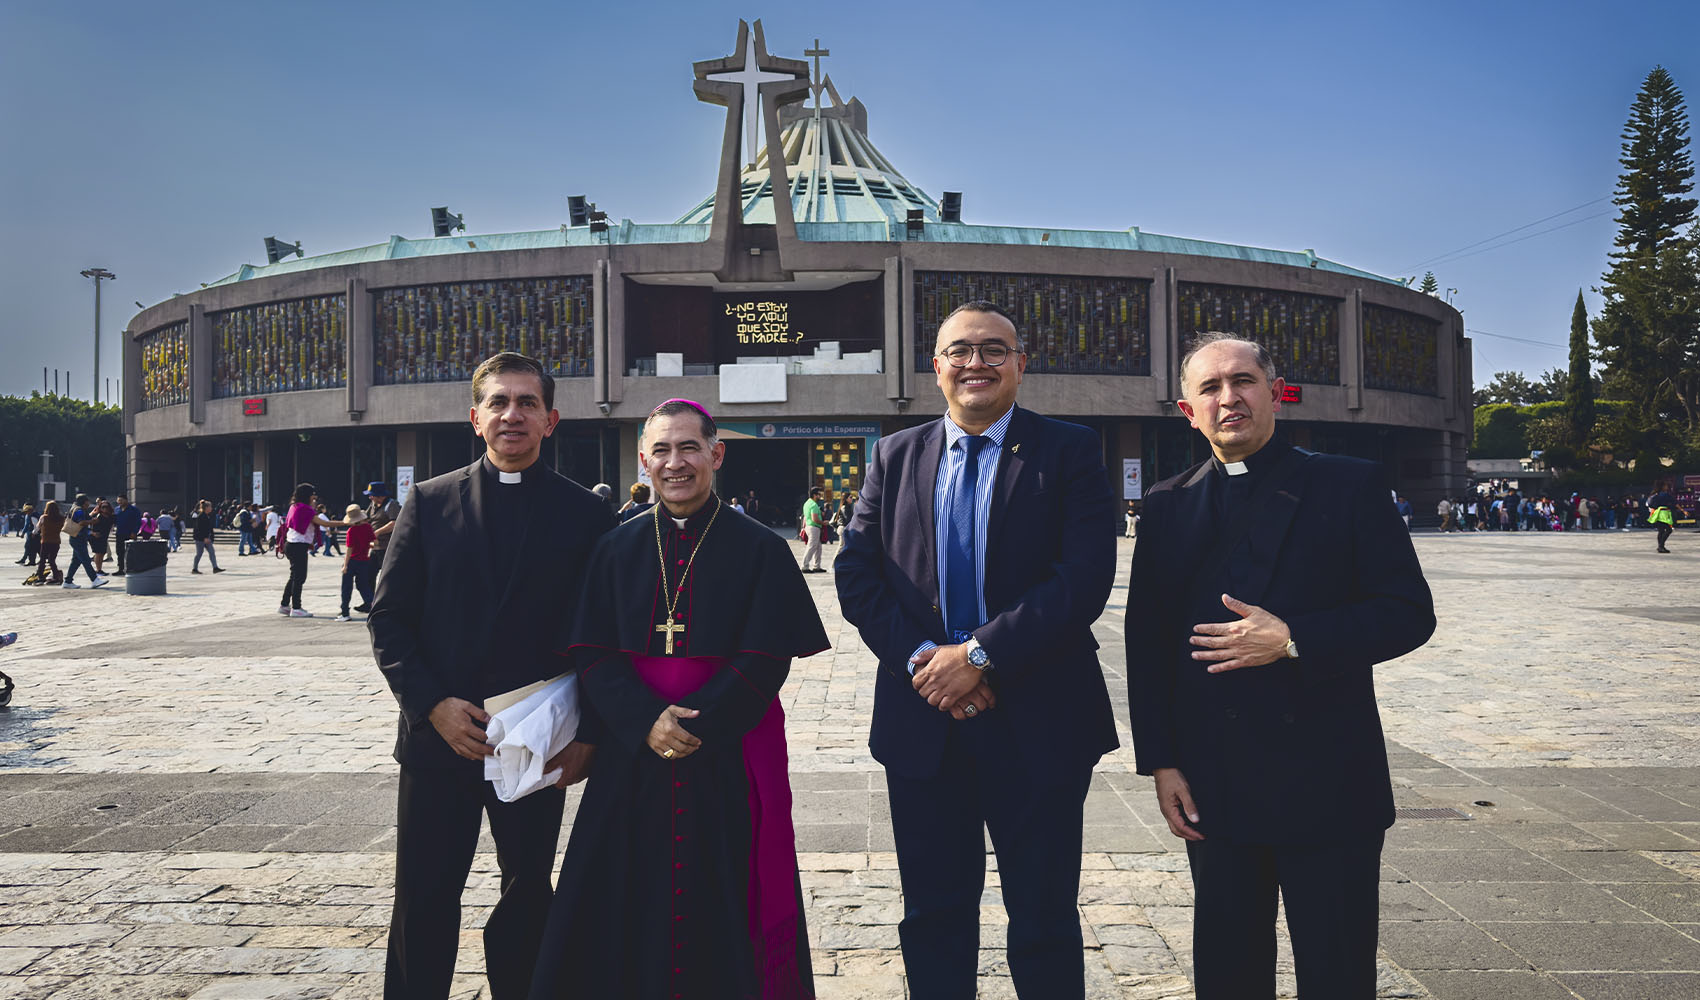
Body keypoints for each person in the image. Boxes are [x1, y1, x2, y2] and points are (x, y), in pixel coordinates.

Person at [1124, 332, 1436, 1000]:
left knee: (1337, 971)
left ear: (1275, 392)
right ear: (1187, 409)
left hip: (1329, 778)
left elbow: (1408, 613)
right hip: (1215, 780)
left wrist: (1295, 638)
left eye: (1243, 381)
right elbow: (1147, 645)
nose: (1228, 398)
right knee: (1229, 973)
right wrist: (1162, 762)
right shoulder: (1166, 503)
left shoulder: (1347, 484)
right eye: (1209, 387)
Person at [835, 300, 1119, 999]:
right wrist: (929, 666)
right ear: (936, 368)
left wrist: (980, 657)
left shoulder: (1071, 450)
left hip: (1040, 720)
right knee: (933, 914)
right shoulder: (895, 455)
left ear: (1021, 364)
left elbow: (1082, 581)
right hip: (923, 724)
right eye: (960, 350)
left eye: (995, 349)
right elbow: (857, 574)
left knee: (1044, 915)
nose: (976, 363)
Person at [530, 398, 827, 1000]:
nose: (675, 463)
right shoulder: (615, 548)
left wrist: (696, 725)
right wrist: (644, 720)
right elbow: (593, 649)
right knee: (618, 889)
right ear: (644, 461)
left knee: (727, 888)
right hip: (630, 753)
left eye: (689, 447)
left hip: (728, 751)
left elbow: (767, 654)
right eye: (661, 450)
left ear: (716, 455)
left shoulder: (760, 548)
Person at [369, 352, 612, 1000]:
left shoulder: (586, 516)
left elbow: (603, 636)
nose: (513, 415)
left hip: (535, 741)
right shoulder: (428, 501)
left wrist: (588, 729)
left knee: (530, 888)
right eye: (499, 403)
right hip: (438, 741)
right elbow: (389, 620)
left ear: (551, 419)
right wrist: (431, 706)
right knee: (423, 896)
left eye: (527, 403)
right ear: (475, 418)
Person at [276, 484, 346, 617]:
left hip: (291, 544)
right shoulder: (305, 509)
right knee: (300, 577)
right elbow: (324, 523)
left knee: (294, 576)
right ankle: (296, 607)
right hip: (298, 546)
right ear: (307, 495)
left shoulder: (294, 506)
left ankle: (284, 605)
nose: (315, 497)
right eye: (313, 494)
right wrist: (345, 523)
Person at [335, 505, 377, 622]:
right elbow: (374, 542)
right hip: (364, 561)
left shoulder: (351, 531)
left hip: (353, 561)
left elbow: (349, 549)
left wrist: (345, 565)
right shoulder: (368, 527)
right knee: (364, 586)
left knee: (346, 588)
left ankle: (345, 612)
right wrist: (366, 545)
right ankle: (374, 607)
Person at [61, 494, 108, 590]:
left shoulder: (75, 508)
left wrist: (91, 516)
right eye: (87, 501)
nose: (89, 503)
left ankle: (68, 581)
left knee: (76, 561)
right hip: (78, 539)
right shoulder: (79, 511)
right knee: (86, 560)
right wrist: (92, 521)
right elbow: (81, 523)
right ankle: (94, 579)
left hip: (76, 538)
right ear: (84, 502)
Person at [364, 482, 401, 579]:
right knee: (368, 575)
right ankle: (370, 595)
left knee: (388, 577)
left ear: (380, 495)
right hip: (375, 547)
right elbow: (365, 518)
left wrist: (377, 532)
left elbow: (394, 523)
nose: (370, 497)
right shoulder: (373, 505)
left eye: (371, 495)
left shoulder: (391, 505)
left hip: (388, 547)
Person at [187, 499, 226, 575]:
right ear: (206, 507)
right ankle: (194, 569)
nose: (211, 508)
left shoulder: (206, 516)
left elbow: (208, 528)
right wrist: (204, 537)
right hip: (200, 538)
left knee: (212, 552)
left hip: (206, 538)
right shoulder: (201, 516)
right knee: (199, 553)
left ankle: (215, 568)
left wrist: (210, 537)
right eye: (210, 507)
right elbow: (199, 529)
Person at [36, 502, 64, 584]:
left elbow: (37, 528)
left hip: (45, 541)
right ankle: (56, 576)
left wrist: (34, 533)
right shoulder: (61, 518)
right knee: (52, 560)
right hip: (56, 541)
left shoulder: (44, 517)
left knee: (42, 560)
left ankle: (40, 577)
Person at [800, 486, 826, 571]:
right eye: (819, 494)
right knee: (811, 547)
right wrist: (823, 522)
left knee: (818, 547)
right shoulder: (814, 505)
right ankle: (805, 566)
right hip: (814, 527)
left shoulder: (807, 503)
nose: (820, 496)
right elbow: (814, 519)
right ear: (814, 495)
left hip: (809, 526)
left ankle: (816, 566)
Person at [113, 495, 140, 574]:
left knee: (131, 552)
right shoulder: (117, 509)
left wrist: (134, 532)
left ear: (126, 500)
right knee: (119, 551)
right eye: (118, 501)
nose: (119, 502)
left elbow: (138, 522)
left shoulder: (134, 509)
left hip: (130, 534)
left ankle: (132, 568)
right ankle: (121, 569)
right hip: (119, 533)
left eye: (121, 500)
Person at [1650, 481, 1679, 553]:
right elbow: (1674, 503)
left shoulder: (1655, 494)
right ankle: (1661, 546)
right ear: (1662, 487)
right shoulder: (1666, 495)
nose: (1667, 487)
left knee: (1661, 531)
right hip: (1664, 513)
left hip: (1657, 513)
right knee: (1669, 529)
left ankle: (1660, 546)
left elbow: (1650, 504)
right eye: (1666, 486)